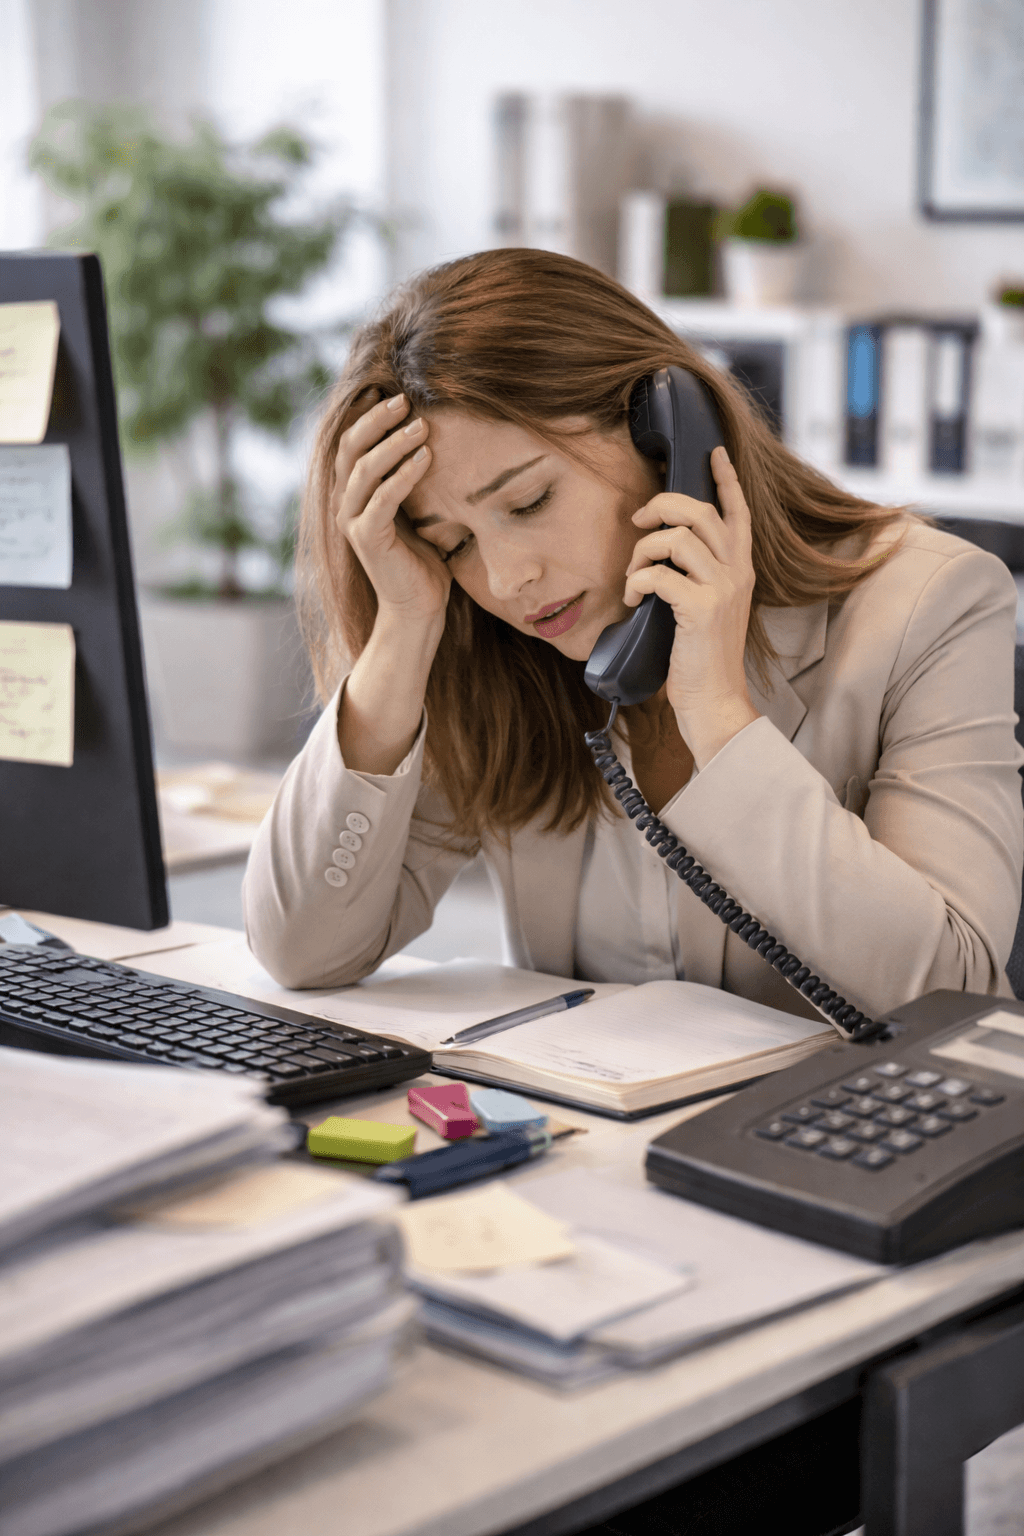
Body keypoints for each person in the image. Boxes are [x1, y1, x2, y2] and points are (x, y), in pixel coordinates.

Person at [243, 248, 1024, 1027]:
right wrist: (402, 632)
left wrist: (719, 716)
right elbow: (302, 951)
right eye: (453, 543)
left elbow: (950, 1003)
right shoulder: (493, 645)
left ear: (665, 437)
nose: (507, 579)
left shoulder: (932, 602)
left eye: (528, 500)